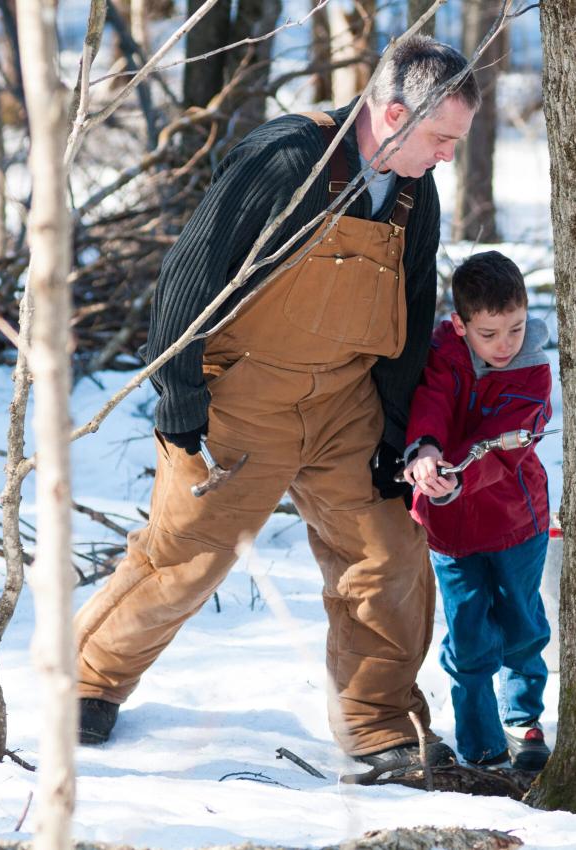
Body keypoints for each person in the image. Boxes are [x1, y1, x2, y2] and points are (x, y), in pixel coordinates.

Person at [72, 36, 479, 782]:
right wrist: (182, 400)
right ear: (393, 114)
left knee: (386, 554)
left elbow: (414, 309)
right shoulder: (289, 158)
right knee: (188, 557)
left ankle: (378, 725)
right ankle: (89, 680)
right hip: (244, 399)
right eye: (442, 138)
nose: (449, 155)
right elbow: (189, 272)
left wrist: (396, 430)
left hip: (345, 404)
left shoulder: (417, 191)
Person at [402, 251, 554, 771]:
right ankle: (480, 743)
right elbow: (432, 403)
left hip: (517, 522)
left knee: (522, 625)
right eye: (489, 334)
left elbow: (506, 445)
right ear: (460, 326)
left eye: (515, 327)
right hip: (450, 530)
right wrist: (425, 451)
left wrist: (459, 475)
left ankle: (521, 719)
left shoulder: (532, 371)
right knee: (468, 635)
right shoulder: (441, 355)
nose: (505, 344)